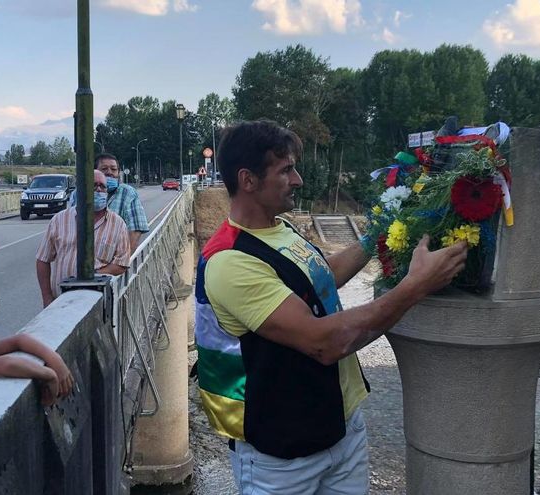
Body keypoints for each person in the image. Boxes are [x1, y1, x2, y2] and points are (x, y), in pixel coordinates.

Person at [195, 120, 468, 494]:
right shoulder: (231, 261)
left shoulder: (282, 229)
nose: (299, 180)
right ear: (248, 180)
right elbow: (324, 342)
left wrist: (378, 234)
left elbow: (323, 276)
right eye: (286, 170)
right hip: (282, 453)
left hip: (341, 426)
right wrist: (416, 286)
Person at [36, 170, 130, 307]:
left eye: (102, 186)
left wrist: (89, 277)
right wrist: (47, 297)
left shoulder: (118, 224)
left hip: (98, 304)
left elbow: (121, 264)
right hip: (61, 302)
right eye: (93, 185)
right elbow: (42, 260)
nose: (98, 190)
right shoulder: (59, 220)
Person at [95, 153, 149, 249]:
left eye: (113, 169)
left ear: (118, 172)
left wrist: (121, 261)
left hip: (113, 259)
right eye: (104, 169)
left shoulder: (127, 193)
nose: (109, 172)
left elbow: (135, 230)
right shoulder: (80, 193)